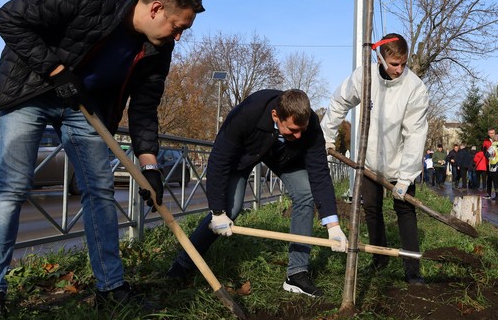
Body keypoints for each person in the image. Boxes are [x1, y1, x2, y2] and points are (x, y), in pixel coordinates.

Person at [0, 0, 205, 314]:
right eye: (177, 26)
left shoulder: (159, 48)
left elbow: (144, 105)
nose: (178, 35)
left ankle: (110, 288)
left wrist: (149, 165)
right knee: (13, 186)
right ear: (156, 8)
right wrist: (55, 70)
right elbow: (8, 17)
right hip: (31, 91)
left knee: (99, 190)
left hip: (86, 107)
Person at [166, 89, 348, 298]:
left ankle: (297, 274)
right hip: (244, 154)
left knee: (305, 194)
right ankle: (184, 263)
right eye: (292, 130)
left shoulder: (311, 126)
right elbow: (219, 160)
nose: (298, 135)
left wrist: (332, 225)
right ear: (275, 116)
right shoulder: (247, 113)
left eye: (302, 130)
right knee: (230, 209)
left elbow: (319, 172)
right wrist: (217, 211)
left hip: (284, 157)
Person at [321, 33, 429, 284]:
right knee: (372, 209)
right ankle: (380, 260)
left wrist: (406, 176)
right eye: (394, 64)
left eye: (403, 63)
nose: (399, 69)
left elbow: (415, 134)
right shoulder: (364, 77)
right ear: (380, 58)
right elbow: (339, 102)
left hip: (400, 162)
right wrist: (327, 135)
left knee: (405, 211)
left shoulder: (414, 88)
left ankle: (412, 270)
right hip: (368, 161)